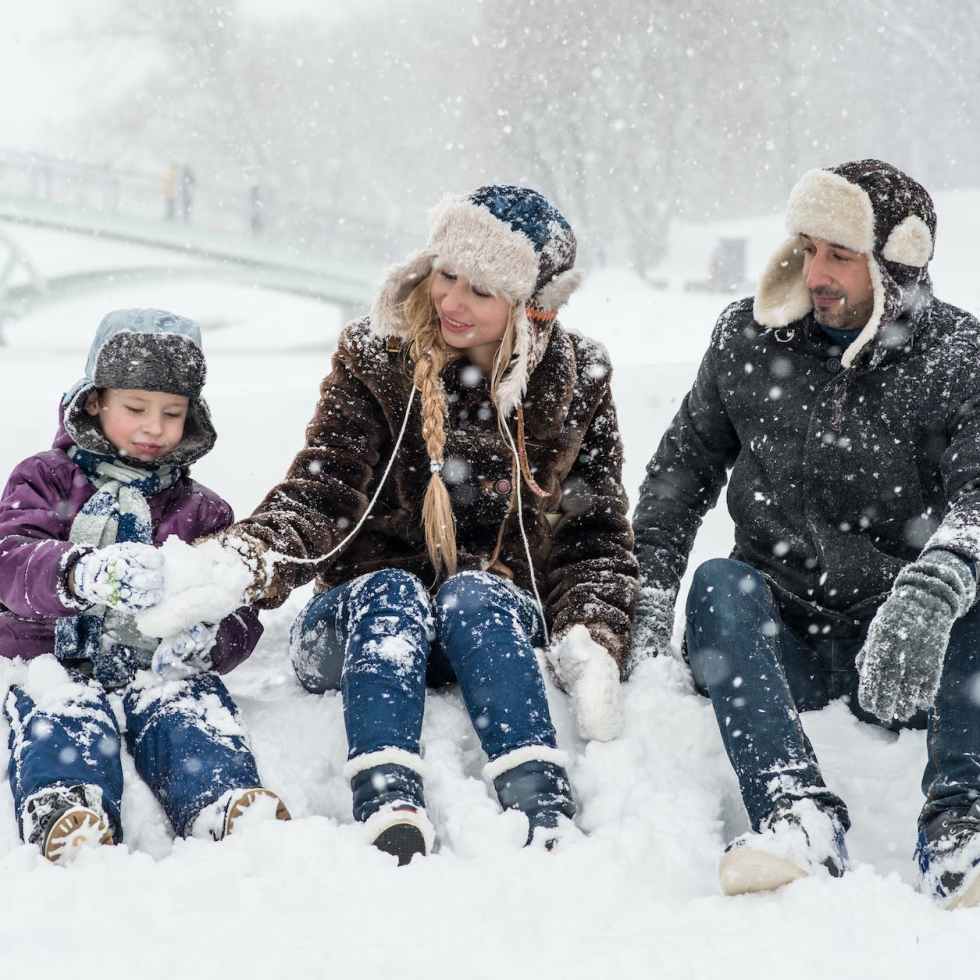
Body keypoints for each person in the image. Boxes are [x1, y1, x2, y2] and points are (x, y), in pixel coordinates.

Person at [178, 185, 637, 864]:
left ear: (530, 307)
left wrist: (593, 636)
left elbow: (593, 534)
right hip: (357, 626)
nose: (452, 300)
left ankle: (541, 801)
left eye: (481, 290)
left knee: (476, 594)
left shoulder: (577, 381)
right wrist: (244, 560)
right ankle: (388, 798)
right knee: (392, 592)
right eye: (446, 274)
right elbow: (322, 492)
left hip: (485, 629)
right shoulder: (376, 355)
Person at [632, 158, 980, 908]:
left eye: (840, 255)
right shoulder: (746, 338)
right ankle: (796, 814)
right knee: (718, 584)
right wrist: (648, 595)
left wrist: (933, 589)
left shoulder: (958, 355)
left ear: (896, 264)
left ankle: (961, 830)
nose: (815, 274)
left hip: (906, 653)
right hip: (778, 640)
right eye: (808, 248)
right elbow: (679, 474)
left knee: (972, 591)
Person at [0, 309, 289, 862]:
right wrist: (79, 572)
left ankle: (221, 799)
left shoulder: (201, 510)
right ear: (95, 402)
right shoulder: (44, 478)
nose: (154, 428)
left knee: (189, 708)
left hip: (153, 666)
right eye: (135, 409)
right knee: (61, 711)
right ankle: (65, 803)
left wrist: (211, 639)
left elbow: (236, 604)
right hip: (51, 656)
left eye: (172, 413)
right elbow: (9, 559)